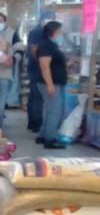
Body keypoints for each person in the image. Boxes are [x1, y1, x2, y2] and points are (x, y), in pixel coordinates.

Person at [35, 21, 68, 150]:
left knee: (49, 110)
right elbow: (44, 66)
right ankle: (51, 139)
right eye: (60, 31)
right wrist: (50, 85)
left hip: (51, 82)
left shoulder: (51, 45)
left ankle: (43, 135)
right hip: (50, 83)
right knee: (54, 111)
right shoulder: (46, 46)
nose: (61, 34)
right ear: (53, 32)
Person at [26, 23, 45, 132]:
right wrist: (41, 64)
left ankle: (32, 122)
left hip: (34, 67)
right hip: (37, 68)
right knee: (38, 97)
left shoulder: (36, 31)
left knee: (34, 96)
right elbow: (33, 49)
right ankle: (37, 123)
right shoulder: (38, 32)